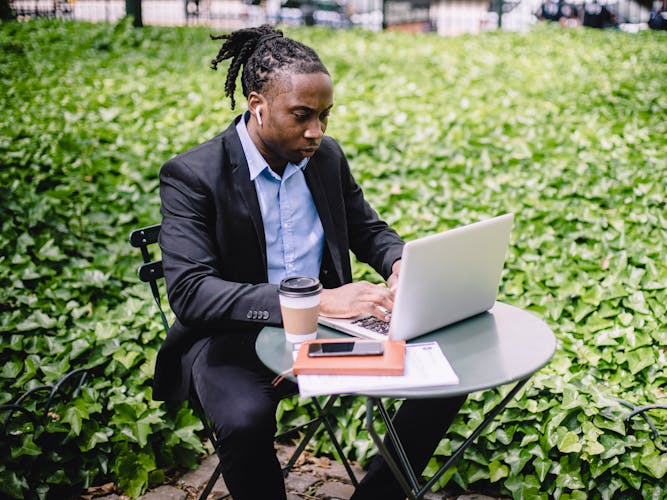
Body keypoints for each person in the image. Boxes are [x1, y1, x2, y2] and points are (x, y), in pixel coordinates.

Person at [154, 25, 466, 500]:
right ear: (257, 105)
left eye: (324, 116)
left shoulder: (325, 158)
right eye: (302, 116)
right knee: (243, 420)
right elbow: (193, 293)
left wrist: (400, 263)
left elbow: (366, 229)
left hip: (331, 340)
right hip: (232, 338)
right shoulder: (193, 175)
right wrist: (318, 302)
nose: (316, 131)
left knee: (448, 373)